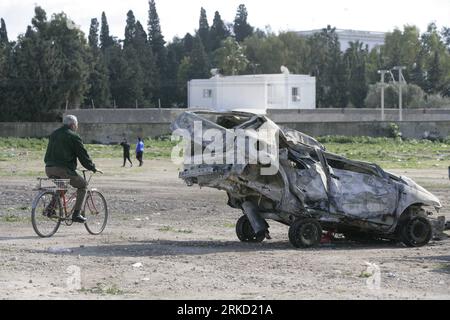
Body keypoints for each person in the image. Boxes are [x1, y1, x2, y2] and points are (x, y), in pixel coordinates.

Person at [44, 115, 98, 223]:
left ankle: (50, 209)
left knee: (62, 187)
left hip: (49, 168)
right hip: (63, 170)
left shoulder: (54, 134)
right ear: (73, 125)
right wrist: (92, 167)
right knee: (83, 185)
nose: (76, 127)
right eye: (76, 125)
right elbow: (83, 156)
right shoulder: (74, 136)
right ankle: (76, 214)